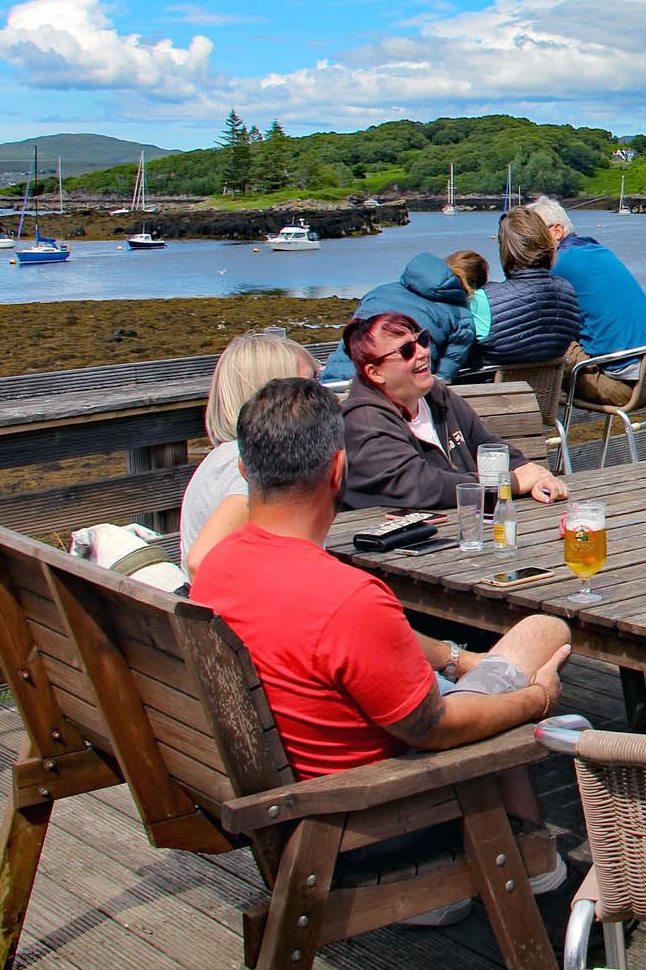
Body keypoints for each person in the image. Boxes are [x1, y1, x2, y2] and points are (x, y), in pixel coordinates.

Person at [190, 378, 574, 923]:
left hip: (291, 800)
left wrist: (453, 658)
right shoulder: (348, 597)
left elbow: (343, 641)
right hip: (377, 820)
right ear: (339, 470)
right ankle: (536, 870)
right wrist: (536, 701)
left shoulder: (218, 569)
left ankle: (532, 866)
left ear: (248, 471)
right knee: (544, 632)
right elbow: (435, 729)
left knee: (502, 660)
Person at [339, 311, 568, 510]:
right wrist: (509, 483)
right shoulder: (363, 421)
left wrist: (535, 474)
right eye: (407, 350)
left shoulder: (435, 395)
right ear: (375, 373)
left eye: (422, 340)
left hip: (466, 527)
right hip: (389, 547)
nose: (422, 352)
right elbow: (420, 485)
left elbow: (486, 445)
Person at [179, 329, 320, 572]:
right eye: (309, 387)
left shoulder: (230, 455)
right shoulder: (247, 469)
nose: (324, 396)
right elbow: (200, 562)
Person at [527, 197, 646, 405]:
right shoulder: (596, 250)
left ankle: (514, 422)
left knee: (537, 337)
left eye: (531, 237)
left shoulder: (560, 262)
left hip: (619, 385)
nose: (527, 246)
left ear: (556, 232)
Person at [319, 252, 484, 385]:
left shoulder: (380, 291)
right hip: (393, 388)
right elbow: (443, 376)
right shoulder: (461, 316)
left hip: (335, 378)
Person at [477, 209, 582, 368]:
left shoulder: (482, 300)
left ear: (506, 250)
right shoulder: (567, 291)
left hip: (495, 390)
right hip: (546, 389)